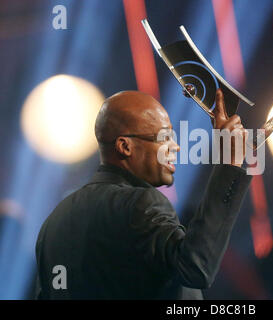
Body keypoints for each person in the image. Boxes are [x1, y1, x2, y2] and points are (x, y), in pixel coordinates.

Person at [35, 89, 252, 299]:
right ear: (125, 146)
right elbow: (196, 267)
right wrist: (229, 162)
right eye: (164, 137)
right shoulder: (140, 204)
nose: (175, 147)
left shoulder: (52, 225)